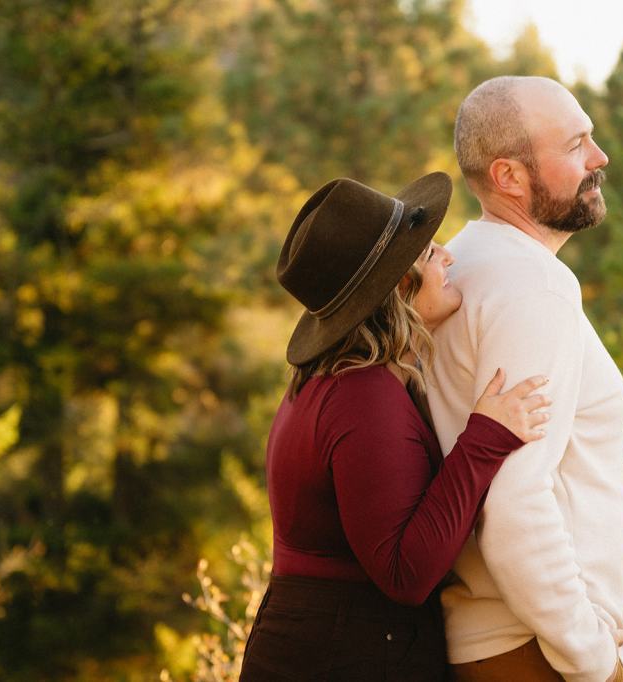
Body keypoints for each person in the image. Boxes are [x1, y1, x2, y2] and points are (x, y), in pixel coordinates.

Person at [239, 172, 552, 681]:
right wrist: (485, 439)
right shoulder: (362, 396)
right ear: (400, 291)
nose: (448, 257)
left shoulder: (337, 383)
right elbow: (406, 573)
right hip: (346, 657)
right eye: (430, 255)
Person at [425, 76, 623, 682]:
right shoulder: (533, 287)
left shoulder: (467, 261)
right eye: (575, 145)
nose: (600, 158)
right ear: (509, 177)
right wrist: (590, 654)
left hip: (496, 640)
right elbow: (514, 498)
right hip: (532, 650)